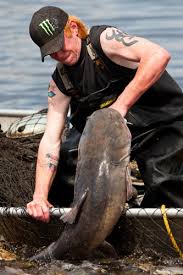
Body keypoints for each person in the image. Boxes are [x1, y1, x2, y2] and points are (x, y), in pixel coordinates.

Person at [27, 5, 183, 223]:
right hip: (105, 138)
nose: (59, 55)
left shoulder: (104, 40)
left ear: (72, 28)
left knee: (163, 182)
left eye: (60, 45)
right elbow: (50, 141)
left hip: (158, 124)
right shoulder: (60, 82)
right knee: (64, 167)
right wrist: (39, 196)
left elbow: (158, 55)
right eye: (51, 52)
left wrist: (120, 106)